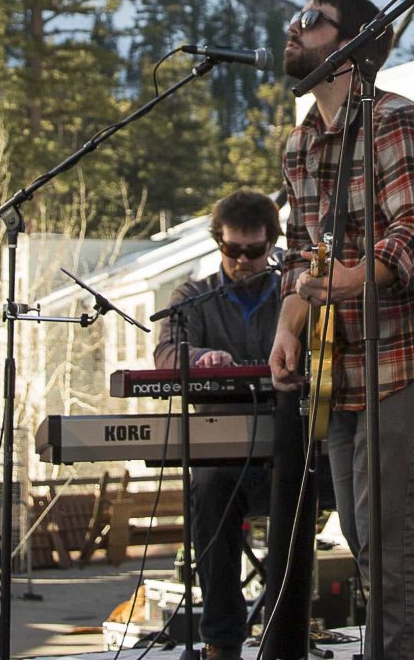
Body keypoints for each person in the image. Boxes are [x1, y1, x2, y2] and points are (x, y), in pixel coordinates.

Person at [268, 0, 414, 660]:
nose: (292, 28)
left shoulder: (397, 119)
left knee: (385, 526)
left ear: (351, 45)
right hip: (345, 363)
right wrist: (288, 323)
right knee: (366, 531)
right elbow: (307, 254)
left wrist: (349, 277)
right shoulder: (301, 144)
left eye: (310, 20)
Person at [157, 189, 285, 660]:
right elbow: (166, 353)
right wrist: (198, 357)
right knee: (208, 487)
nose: (244, 261)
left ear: (272, 244)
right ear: (218, 244)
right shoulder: (193, 297)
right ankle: (222, 639)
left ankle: (289, 626)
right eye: (234, 250)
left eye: (255, 251)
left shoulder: (292, 293)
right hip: (226, 457)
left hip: (293, 449)